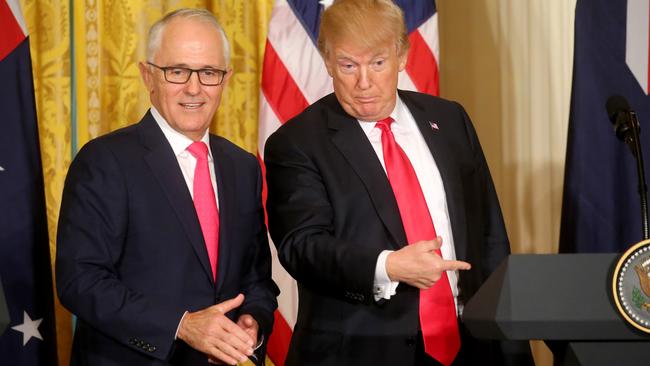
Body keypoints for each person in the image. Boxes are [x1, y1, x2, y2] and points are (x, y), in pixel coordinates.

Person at [264, 0, 532, 365]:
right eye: (347, 65)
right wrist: (386, 266)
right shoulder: (297, 143)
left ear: (402, 55)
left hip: (469, 346)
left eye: (377, 62)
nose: (364, 82)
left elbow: (490, 237)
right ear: (327, 61)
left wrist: (512, 348)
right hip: (361, 352)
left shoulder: (450, 119)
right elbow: (302, 246)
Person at [56, 8, 278, 366]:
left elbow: (256, 279)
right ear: (148, 76)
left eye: (208, 73)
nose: (194, 88)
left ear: (225, 78)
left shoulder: (243, 167)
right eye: (177, 71)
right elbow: (80, 281)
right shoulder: (104, 161)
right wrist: (182, 325)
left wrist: (252, 321)